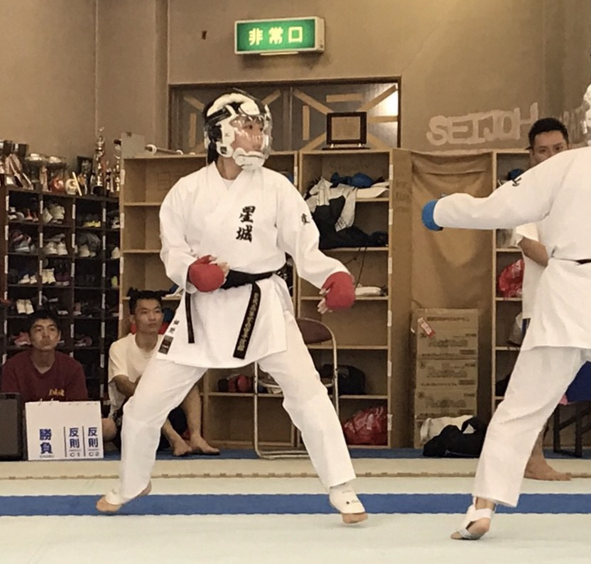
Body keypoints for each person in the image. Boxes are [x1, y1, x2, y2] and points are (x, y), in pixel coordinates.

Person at [97, 89, 367, 524]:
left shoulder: (276, 187)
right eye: (247, 126)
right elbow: (172, 251)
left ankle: (342, 487)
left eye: (260, 127)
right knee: (144, 404)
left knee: (308, 393)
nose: (257, 135)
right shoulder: (186, 191)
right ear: (219, 133)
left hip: (263, 304)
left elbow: (305, 246)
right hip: (202, 310)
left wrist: (332, 276)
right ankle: (132, 482)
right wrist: (191, 272)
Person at [422, 145, 591, 540]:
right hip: (567, 291)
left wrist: (442, 210)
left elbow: (499, 208)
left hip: (570, 294)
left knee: (520, 409)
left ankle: (481, 509)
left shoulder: (569, 165)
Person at [514, 118, 571, 481]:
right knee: (540, 388)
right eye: (543, 151)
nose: (551, 156)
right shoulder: (525, 190)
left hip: (583, 302)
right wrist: (573, 264)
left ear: (570, 148)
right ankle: (532, 456)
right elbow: (527, 243)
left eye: (558, 149)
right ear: (532, 155)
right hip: (545, 303)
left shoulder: (583, 187)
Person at [108, 290, 219, 457]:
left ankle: (196, 437)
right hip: (130, 423)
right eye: (144, 312)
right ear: (132, 319)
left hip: (167, 419)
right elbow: (122, 385)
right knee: (144, 388)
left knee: (188, 384)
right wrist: (149, 391)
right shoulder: (119, 346)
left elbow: (181, 383)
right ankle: (175, 440)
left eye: (157, 311)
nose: (152, 317)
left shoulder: (170, 345)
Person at [1, 310, 116, 441]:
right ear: (29, 337)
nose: (46, 335)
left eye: (51, 329)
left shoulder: (72, 367)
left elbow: (78, 408)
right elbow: (10, 412)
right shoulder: (12, 367)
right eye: (38, 330)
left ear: (59, 336)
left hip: (63, 426)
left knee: (108, 427)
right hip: (26, 427)